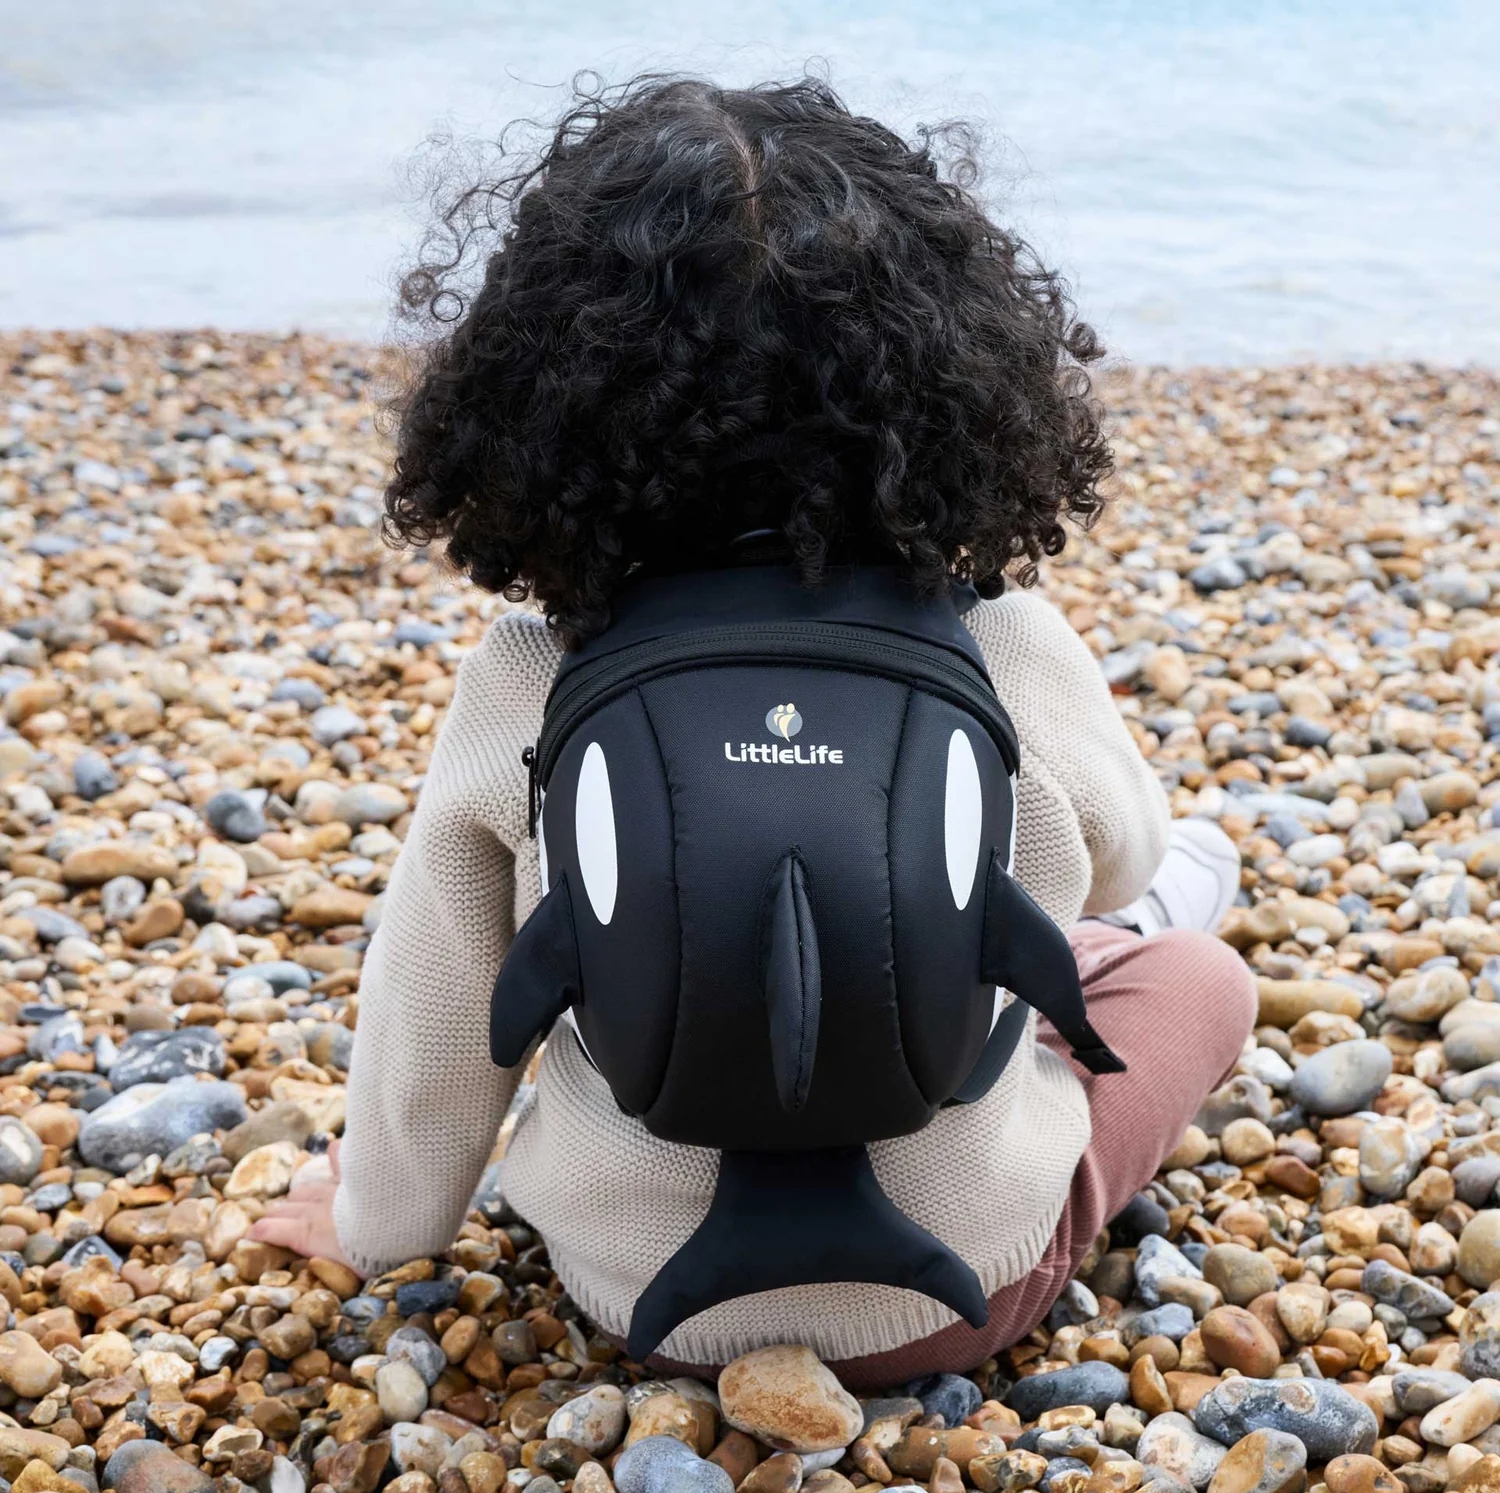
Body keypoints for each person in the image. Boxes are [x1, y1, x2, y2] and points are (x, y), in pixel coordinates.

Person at [250, 75, 1257, 1382]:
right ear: (959, 375)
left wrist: (380, 1226)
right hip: (958, 1295)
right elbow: (1117, 859)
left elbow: (433, 1017)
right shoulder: (1005, 642)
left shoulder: (528, 677)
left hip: (638, 1297)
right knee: (1191, 971)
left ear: (538, 393)